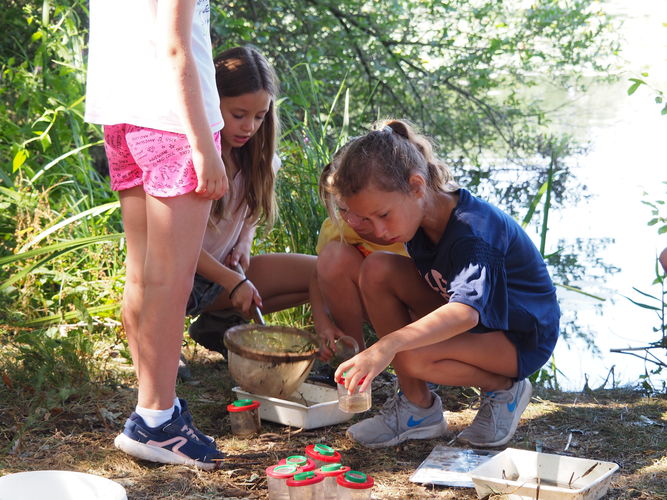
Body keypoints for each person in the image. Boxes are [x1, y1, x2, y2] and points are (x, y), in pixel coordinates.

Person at [325, 119, 560, 449]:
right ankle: (417, 409)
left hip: (519, 336)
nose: (377, 231)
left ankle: (505, 388)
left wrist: (387, 345)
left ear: (417, 186)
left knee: (408, 355)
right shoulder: (417, 218)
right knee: (377, 268)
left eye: (383, 215)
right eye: (367, 220)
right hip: (480, 319)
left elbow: (466, 313)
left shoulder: (473, 232)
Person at [85, 0, 227, 468]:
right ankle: (156, 420)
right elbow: (174, 47)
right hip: (173, 122)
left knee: (144, 274)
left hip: (124, 117)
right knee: (171, 279)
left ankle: (151, 407)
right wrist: (205, 147)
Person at [185, 46, 315, 354]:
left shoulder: (263, 162)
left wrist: (243, 243)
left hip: (221, 280)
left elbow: (249, 217)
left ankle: (220, 323)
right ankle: (160, 342)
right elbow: (180, 246)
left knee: (322, 272)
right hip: (179, 280)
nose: (249, 127)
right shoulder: (197, 161)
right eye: (238, 115)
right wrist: (232, 281)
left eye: (260, 116)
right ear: (211, 103)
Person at [311, 158, 409, 361]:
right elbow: (317, 274)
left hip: (420, 312)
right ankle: (354, 356)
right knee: (332, 257)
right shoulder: (338, 227)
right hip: (376, 304)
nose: (352, 221)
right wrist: (321, 321)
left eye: (359, 211)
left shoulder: (410, 224)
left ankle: (412, 364)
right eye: (343, 210)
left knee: (379, 266)